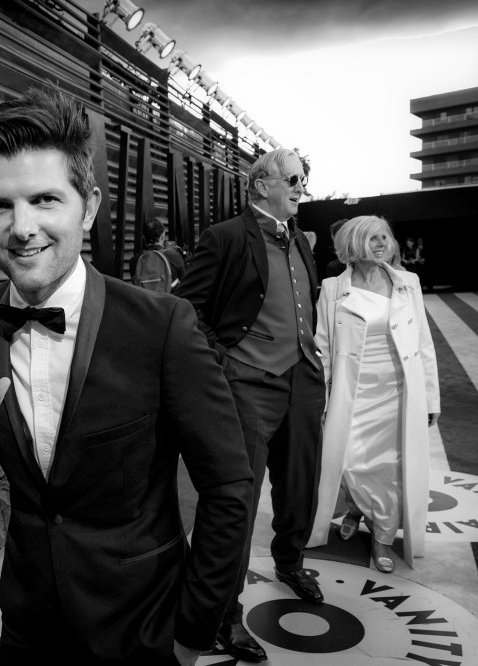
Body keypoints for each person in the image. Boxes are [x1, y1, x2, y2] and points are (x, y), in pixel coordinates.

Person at [0, 86, 253, 665]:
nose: (21, 227)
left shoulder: (162, 325)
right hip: (29, 623)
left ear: (91, 205)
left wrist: (191, 633)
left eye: (45, 199)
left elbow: (228, 487)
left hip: (142, 622)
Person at [173, 148, 325, 663]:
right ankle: (222, 615)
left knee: (301, 481)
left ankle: (290, 559)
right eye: (294, 179)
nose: (302, 186)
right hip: (249, 382)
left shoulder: (301, 238)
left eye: (304, 179)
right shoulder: (225, 237)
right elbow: (186, 309)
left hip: (302, 377)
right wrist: (226, 362)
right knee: (235, 503)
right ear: (261, 185)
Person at [306, 216, 440, 574]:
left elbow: (423, 343)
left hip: (398, 392)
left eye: (385, 237)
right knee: (347, 461)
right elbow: (323, 347)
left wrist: (430, 397)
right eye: (372, 238)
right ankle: (356, 507)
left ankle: (382, 534)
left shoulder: (407, 282)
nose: (382, 243)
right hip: (353, 392)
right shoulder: (334, 287)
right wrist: (321, 397)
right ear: (353, 244)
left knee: (391, 468)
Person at [129, 216, 187, 290]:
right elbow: (185, 285)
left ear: (144, 237)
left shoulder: (134, 261)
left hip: (146, 301)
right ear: (162, 236)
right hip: (169, 300)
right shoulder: (175, 257)